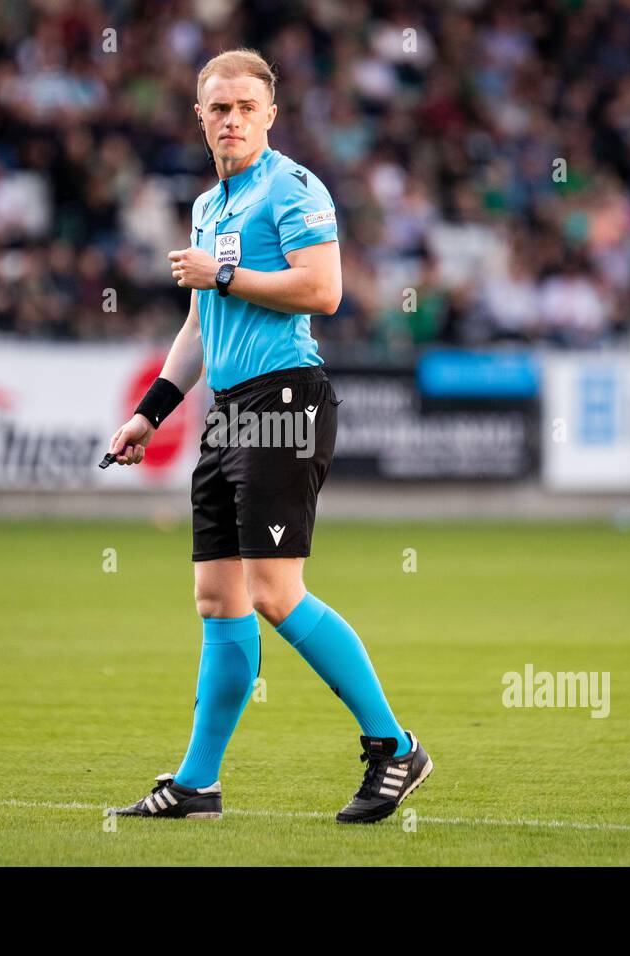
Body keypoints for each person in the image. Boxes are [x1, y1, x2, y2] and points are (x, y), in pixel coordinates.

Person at [104, 49, 432, 824]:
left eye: (247, 106)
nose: (233, 119)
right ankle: (197, 784)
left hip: (287, 399)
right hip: (229, 412)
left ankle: (394, 747)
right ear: (200, 117)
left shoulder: (292, 187)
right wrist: (150, 412)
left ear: (270, 114)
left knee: (277, 594)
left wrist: (222, 277)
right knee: (218, 598)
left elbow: (323, 288)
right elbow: (198, 327)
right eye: (218, 108)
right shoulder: (207, 207)